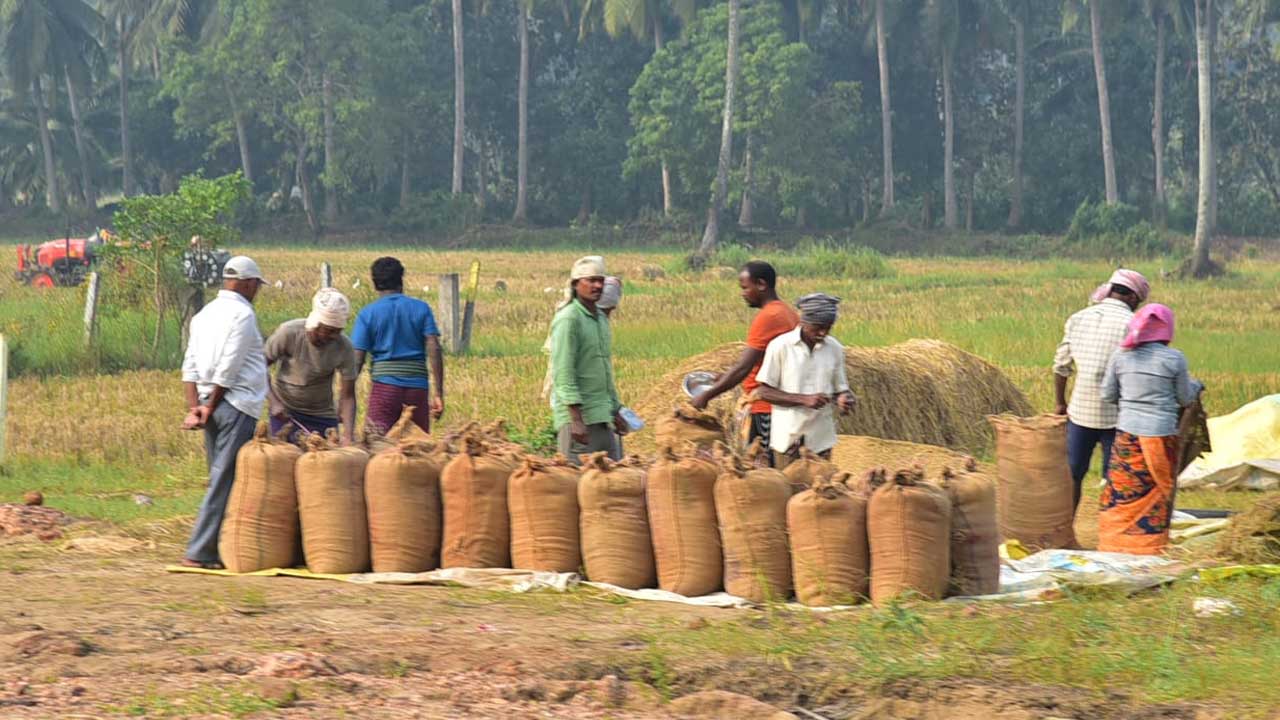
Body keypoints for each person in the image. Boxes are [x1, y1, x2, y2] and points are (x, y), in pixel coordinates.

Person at [179, 256, 269, 569]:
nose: (257, 290)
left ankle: (217, 549)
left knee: (219, 476)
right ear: (245, 282)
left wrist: (197, 407)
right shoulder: (242, 315)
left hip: (210, 403)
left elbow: (189, 365)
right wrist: (210, 405)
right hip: (235, 404)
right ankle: (199, 551)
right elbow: (229, 367)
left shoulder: (204, 315)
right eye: (256, 284)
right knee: (224, 478)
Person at [1098, 304, 1201, 555]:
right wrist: (1196, 386)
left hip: (1127, 435)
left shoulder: (1120, 356)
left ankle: (1115, 543)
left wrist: (1131, 403)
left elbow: (1107, 394)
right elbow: (1185, 398)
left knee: (1124, 489)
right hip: (1161, 435)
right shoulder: (1174, 358)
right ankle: (1149, 547)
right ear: (1167, 330)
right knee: (1155, 491)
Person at [1053, 268, 1149, 514]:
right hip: (1119, 415)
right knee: (1115, 477)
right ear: (1132, 298)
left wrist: (1060, 404)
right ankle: (1111, 533)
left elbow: (1061, 366)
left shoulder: (1078, 318)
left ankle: (1067, 528)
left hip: (1080, 412)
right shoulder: (1134, 324)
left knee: (1073, 473)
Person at [691, 261, 798, 466]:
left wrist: (706, 396)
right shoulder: (786, 311)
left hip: (765, 407)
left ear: (761, 284)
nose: (743, 293)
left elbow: (743, 368)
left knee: (761, 471)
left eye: (745, 287)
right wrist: (724, 377)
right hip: (778, 405)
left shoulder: (768, 316)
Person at [754, 293, 855, 468]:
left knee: (821, 492)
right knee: (791, 490)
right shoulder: (780, 347)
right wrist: (803, 399)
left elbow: (841, 388)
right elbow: (763, 391)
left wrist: (844, 398)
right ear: (803, 322)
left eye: (828, 327)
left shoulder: (835, 349)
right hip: (789, 441)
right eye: (817, 327)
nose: (823, 333)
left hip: (821, 441)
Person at [351, 257, 445, 436]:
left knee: (376, 444)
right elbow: (434, 347)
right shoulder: (421, 308)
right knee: (417, 447)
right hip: (417, 390)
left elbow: (357, 359)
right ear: (401, 280)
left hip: (384, 388)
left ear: (375, 283)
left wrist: (346, 394)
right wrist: (439, 393)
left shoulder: (367, 314)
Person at [548, 256, 626, 465]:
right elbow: (564, 372)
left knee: (611, 482)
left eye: (600, 280)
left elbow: (604, 371)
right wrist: (576, 419)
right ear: (575, 284)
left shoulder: (600, 319)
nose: (597, 285)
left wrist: (616, 410)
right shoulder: (569, 319)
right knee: (576, 483)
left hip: (602, 416)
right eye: (591, 280)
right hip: (579, 420)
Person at [265, 288, 358, 445]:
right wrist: (274, 402)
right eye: (329, 331)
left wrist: (348, 435)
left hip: (323, 417)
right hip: (287, 415)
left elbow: (348, 395)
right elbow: (259, 366)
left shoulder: (344, 346)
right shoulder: (289, 333)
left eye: (338, 331)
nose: (334, 336)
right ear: (315, 324)